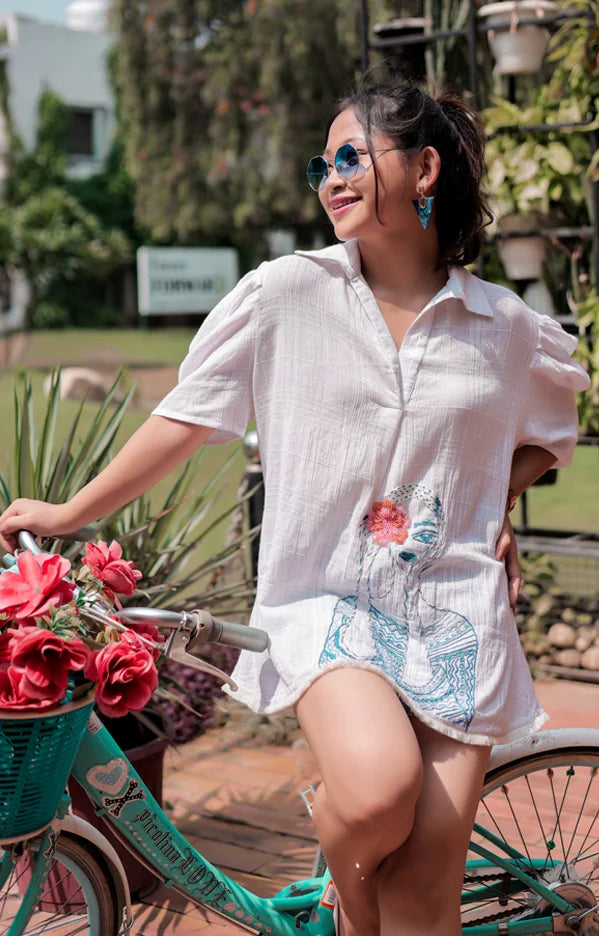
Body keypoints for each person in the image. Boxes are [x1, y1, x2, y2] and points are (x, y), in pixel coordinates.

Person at [0, 80, 590, 936]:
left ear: (424, 168)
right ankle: (348, 903)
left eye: (353, 156)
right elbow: (182, 422)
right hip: (327, 598)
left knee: (427, 883)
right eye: (324, 162)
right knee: (379, 792)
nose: (331, 176)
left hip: (456, 612)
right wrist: (65, 511)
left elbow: (549, 433)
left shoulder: (502, 327)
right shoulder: (284, 296)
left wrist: (493, 494)